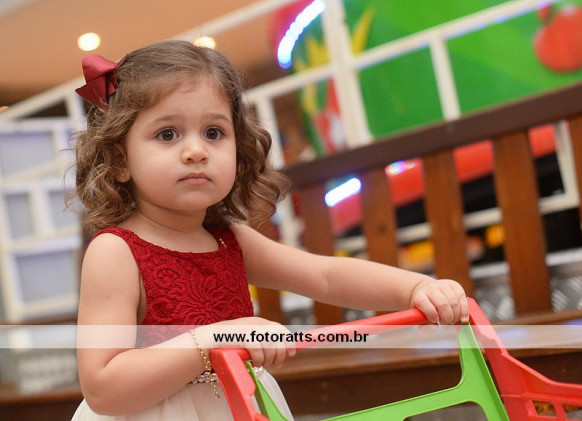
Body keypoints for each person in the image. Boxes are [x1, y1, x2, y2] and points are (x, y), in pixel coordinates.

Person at [69, 40, 469, 421]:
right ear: (120, 160)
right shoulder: (116, 252)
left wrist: (415, 288)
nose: (196, 151)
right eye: (167, 134)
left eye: (214, 132)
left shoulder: (227, 240)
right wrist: (216, 339)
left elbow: (325, 276)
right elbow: (103, 387)